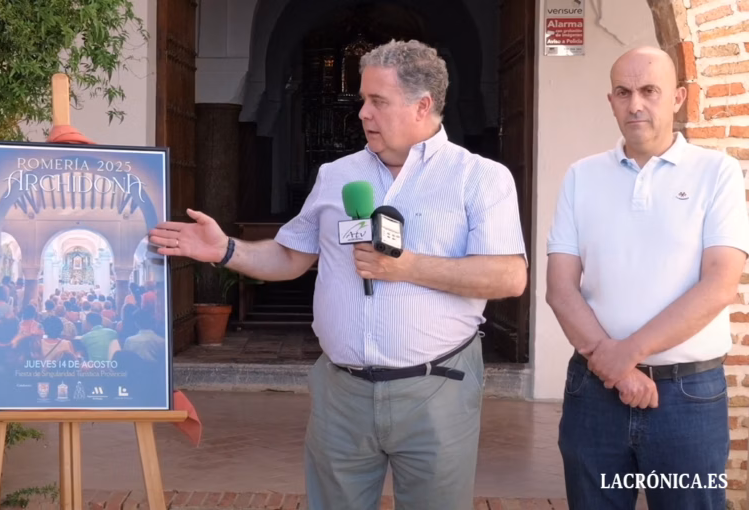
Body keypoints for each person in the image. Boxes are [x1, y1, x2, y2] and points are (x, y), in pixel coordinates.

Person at [150, 39, 527, 510]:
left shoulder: (480, 178)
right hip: (341, 394)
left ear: (422, 105)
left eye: (378, 101)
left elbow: (508, 277)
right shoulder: (337, 175)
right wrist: (225, 249)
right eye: (364, 100)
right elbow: (290, 258)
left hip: (437, 389)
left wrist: (407, 267)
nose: (363, 113)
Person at [546, 46, 749, 510]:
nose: (635, 103)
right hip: (594, 398)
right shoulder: (582, 177)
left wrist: (624, 358)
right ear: (611, 101)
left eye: (649, 91)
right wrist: (617, 371)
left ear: (677, 97)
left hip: (687, 399)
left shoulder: (715, 173)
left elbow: (719, 284)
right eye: (623, 92)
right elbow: (559, 289)